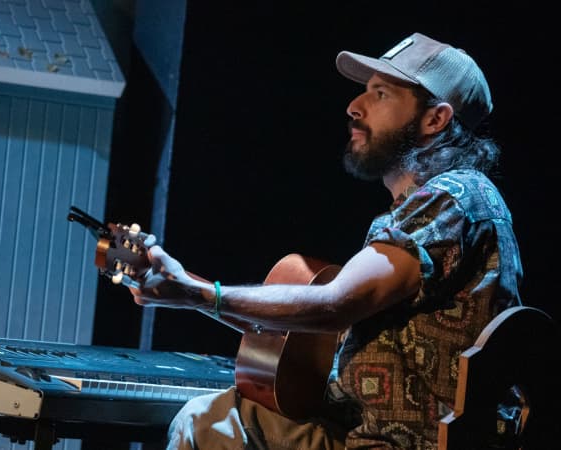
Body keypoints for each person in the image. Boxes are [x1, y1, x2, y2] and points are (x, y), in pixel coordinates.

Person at [126, 32, 523, 449]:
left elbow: (336, 305)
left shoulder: (451, 198)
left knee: (210, 422)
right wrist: (187, 289)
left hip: (398, 444)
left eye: (381, 94)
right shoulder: (437, 207)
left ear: (434, 119)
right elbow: (309, 329)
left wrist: (199, 295)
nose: (354, 106)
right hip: (369, 434)